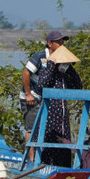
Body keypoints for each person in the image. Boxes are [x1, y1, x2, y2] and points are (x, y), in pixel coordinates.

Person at [20, 30, 70, 162]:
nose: (61, 44)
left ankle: (42, 158)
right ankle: (31, 159)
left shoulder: (59, 58)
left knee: (44, 128)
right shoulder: (41, 56)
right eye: (58, 42)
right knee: (32, 128)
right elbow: (26, 73)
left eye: (62, 42)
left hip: (45, 98)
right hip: (33, 96)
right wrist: (28, 94)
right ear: (49, 43)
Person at [35, 41, 82, 167]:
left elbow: (78, 87)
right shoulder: (47, 73)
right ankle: (44, 168)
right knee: (49, 148)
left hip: (63, 120)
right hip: (50, 119)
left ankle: (64, 170)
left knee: (64, 148)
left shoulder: (63, 77)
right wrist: (51, 66)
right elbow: (41, 87)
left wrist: (71, 70)